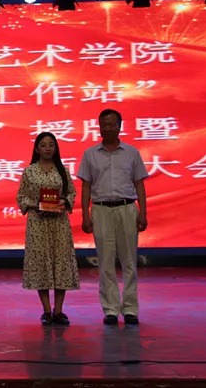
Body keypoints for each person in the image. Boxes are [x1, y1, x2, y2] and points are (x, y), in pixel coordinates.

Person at [78, 108, 148, 325]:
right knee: (106, 262)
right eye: (103, 125)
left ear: (119, 126)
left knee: (129, 261)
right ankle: (110, 309)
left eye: (111, 124)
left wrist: (143, 213)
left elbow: (139, 183)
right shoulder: (90, 154)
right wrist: (85, 215)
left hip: (127, 208)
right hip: (101, 210)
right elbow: (86, 185)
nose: (107, 128)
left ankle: (130, 309)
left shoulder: (131, 153)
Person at [16, 132, 79, 326]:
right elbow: (21, 196)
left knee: (61, 263)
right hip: (37, 223)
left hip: (59, 223)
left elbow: (72, 193)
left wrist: (64, 201)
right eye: (43, 145)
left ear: (56, 148)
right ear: (37, 148)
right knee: (41, 263)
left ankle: (58, 311)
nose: (47, 148)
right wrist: (35, 205)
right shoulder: (29, 171)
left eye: (51, 145)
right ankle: (46, 310)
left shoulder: (62, 170)